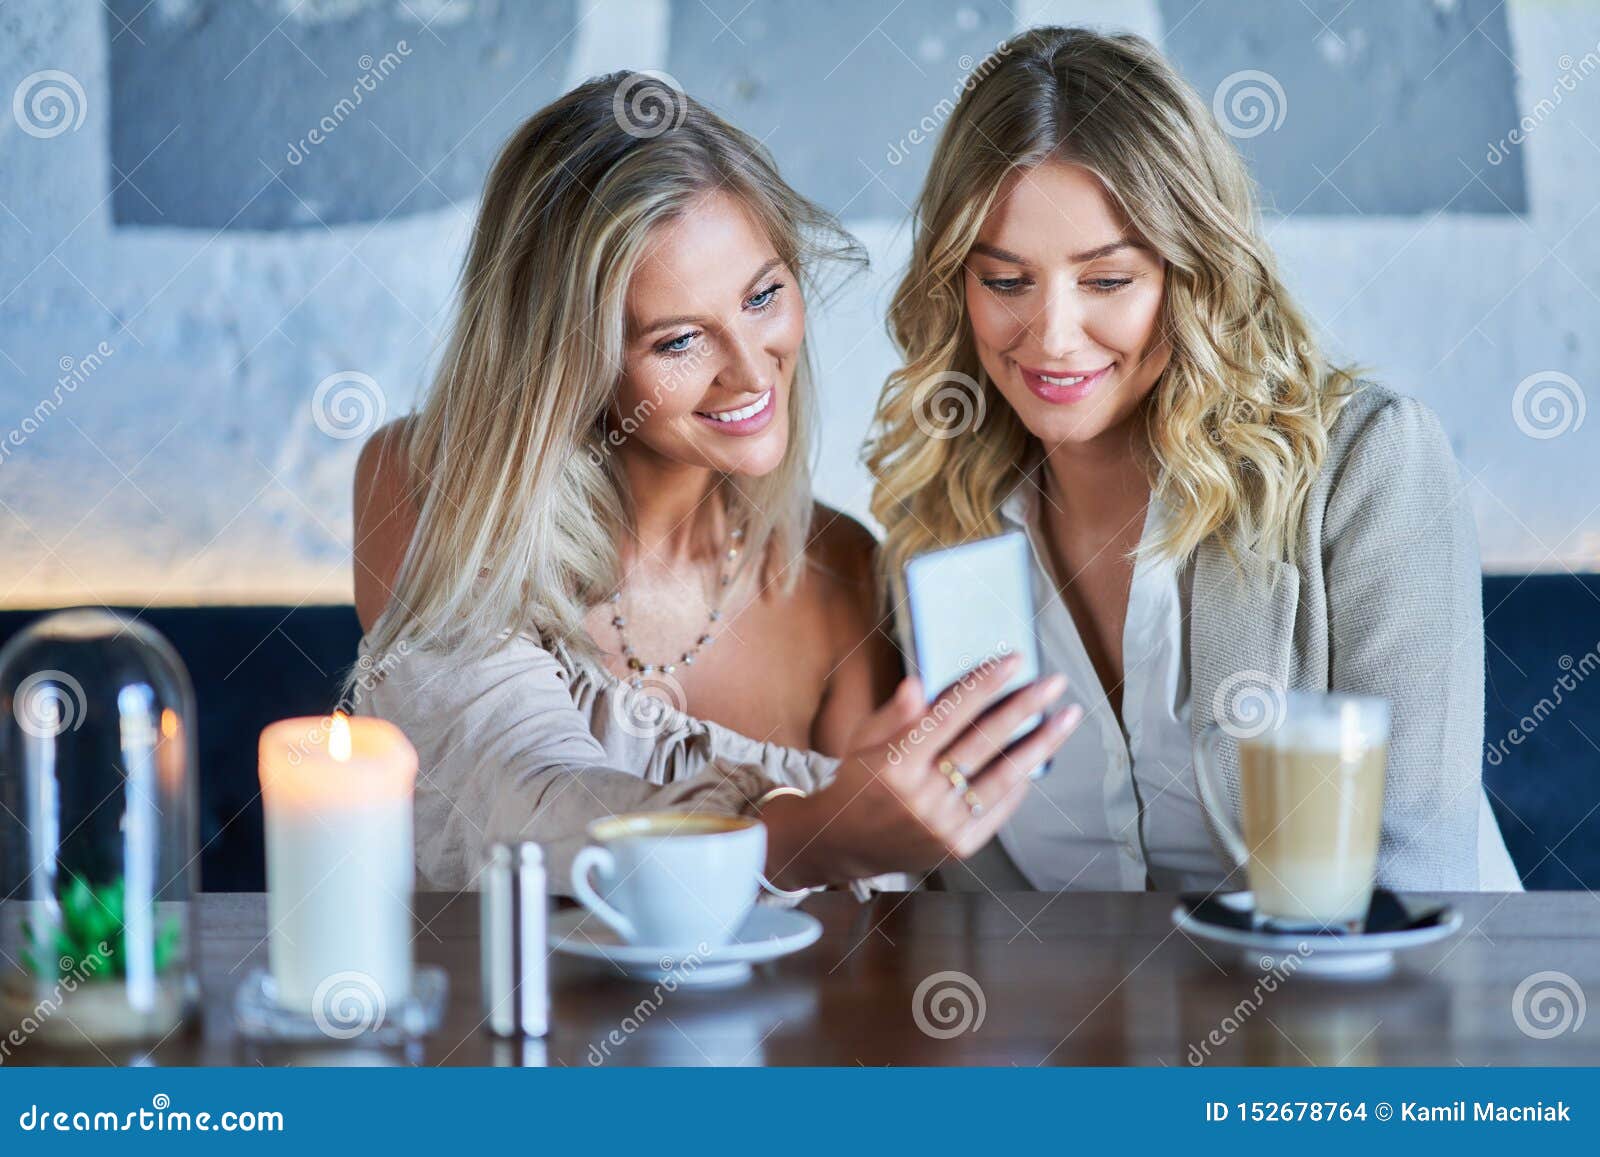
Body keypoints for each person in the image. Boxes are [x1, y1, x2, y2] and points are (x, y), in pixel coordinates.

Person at [346, 72, 1084, 894]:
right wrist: (809, 837)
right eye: (679, 342)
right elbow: (525, 797)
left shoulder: (841, 570)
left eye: (764, 295)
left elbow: (865, 936)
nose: (748, 370)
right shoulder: (427, 482)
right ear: (570, 365)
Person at [865, 26, 1521, 893]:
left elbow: (1416, 884)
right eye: (1006, 281)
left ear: (1193, 271)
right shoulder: (943, 523)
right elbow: (971, 893)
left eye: (1107, 280)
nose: (1053, 338)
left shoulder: (1367, 467)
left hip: (1364, 1020)